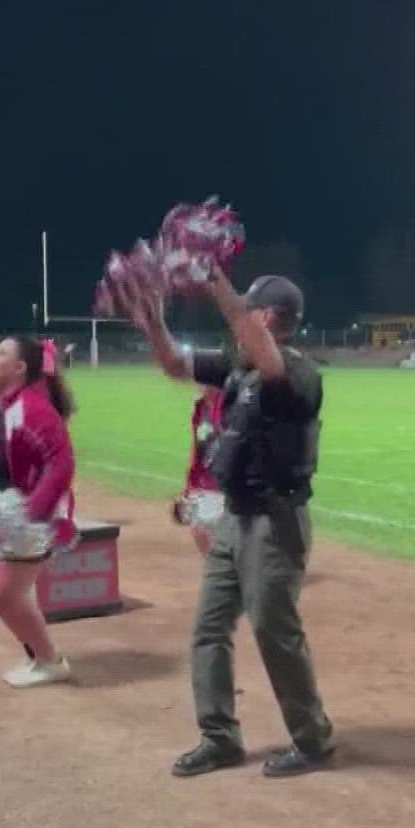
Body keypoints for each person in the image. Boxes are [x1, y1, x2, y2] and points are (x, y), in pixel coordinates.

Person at [110, 268, 335, 777]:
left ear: (268, 317)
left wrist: (217, 285)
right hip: (234, 519)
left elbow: (269, 361)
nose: (237, 318)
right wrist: (153, 323)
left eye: (247, 309)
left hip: (275, 523)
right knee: (209, 630)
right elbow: (173, 364)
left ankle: (312, 739)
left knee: (275, 634)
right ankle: (220, 737)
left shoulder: (296, 375)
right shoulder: (238, 368)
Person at [0, 335, 78, 689]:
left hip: (24, 516)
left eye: (1, 353)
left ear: (20, 368)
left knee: (6, 593)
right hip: (0, 513)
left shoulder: (32, 407)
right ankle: (40, 656)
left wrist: (32, 512)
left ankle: (49, 660)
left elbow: (61, 463)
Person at [173, 384, 225, 556]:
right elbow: (197, 449)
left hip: (227, 480)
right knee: (198, 528)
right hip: (205, 481)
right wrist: (188, 486)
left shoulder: (229, 403)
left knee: (208, 528)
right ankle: (219, 569)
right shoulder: (200, 407)